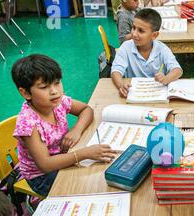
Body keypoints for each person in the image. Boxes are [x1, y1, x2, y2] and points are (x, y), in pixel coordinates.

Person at [12, 54, 118, 197]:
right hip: (42, 177)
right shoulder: (28, 124)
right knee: (92, 185)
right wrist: (84, 153)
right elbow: (46, 164)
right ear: (25, 93)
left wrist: (76, 130)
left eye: (57, 82)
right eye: (44, 87)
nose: (54, 91)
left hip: (65, 156)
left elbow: (86, 110)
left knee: (102, 170)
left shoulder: (58, 102)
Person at [111, 8, 183, 98]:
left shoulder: (162, 49)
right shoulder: (126, 47)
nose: (134, 34)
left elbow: (177, 70)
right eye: (133, 28)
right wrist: (121, 85)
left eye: (141, 31)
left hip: (157, 95)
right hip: (133, 94)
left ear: (154, 35)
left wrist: (166, 78)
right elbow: (116, 71)